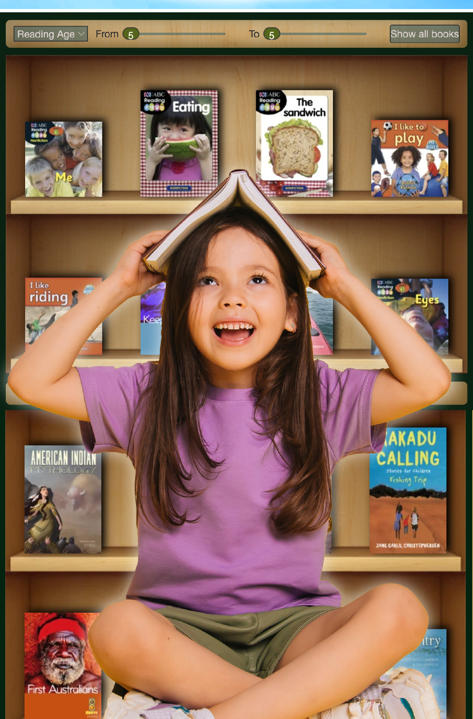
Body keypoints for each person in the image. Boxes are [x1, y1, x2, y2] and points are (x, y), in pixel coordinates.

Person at [9, 204, 450, 719]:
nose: (232, 297)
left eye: (257, 279)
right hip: (180, 631)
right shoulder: (144, 393)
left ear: (292, 312)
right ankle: (289, 705)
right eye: (207, 281)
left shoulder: (323, 393)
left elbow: (428, 381)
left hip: (297, 629)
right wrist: (119, 287)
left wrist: (345, 286)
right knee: (114, 628)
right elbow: (29, 379)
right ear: (178, 308)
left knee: (401, 608)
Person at [25, 614, 100, 692]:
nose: (64, 653)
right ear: (42, 648)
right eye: (55, 644)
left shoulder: (98, 687)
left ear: (81, 650)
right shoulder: (29, 691)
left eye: (72, 645)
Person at [146, 97, 212, 181]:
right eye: (166, 128)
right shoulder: (154, 161)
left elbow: (213, 190)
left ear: (196, 133)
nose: (174, 137)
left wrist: (204, 159)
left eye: (183, 130)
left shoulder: (206, 158)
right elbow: (141, 189)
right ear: (156, 130)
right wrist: (152, 161)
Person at [24, 486, 62, 553]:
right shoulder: (39, 502)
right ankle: (23, 552)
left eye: (46, 489)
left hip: (49, 524)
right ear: (40, 492)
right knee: (31, 539)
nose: (45, 490)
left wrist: (60, 524)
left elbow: (55, 514)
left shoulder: (49, 503)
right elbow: (35, 513)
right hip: (42, 522)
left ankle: (57, 554)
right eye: (43, 489)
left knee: (45, 541)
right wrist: (28, 519)